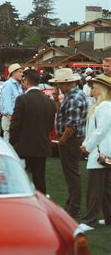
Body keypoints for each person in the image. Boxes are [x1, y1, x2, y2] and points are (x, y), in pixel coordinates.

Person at [9, 69, 56, 193]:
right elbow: (50, 127)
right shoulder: (49, 102)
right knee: (40, 181)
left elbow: (15, 126)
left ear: (24, 80)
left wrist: (11, 143)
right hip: (41, 146)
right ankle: (41, 207)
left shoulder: (22, 100)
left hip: (23, 148)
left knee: (20, 181)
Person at [50, 68, 88, 218]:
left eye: (60, 83)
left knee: (72, 175)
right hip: (72, 139)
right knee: (72, 174)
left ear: (68, 83)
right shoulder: (71, 95)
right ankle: (72, 205)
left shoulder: (73, 97)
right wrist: (55, 99)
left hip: (71, 140)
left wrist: (62, 140)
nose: (58, 86)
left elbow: (72, 125)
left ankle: (74, 207)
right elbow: (63, 115)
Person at [78, 74, 111, 231]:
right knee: (105, 188)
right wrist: (87, 144)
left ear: (101, 89)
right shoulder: (104, 105)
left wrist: (88, 146)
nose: (92, 89)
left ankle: (90, 220)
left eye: (94, 86)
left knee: (95, 188)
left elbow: (100, 131)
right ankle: (108, 217)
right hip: (103, 152)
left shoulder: (103, 107)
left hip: (99, 153)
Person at [0, 63, 23, 142]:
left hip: (16, 119)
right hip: (10, 119)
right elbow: (7, 105)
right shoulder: (8, 84)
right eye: (20, 72)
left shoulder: (18, 85)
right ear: (13, 73)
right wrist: (13, 121)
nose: (22, 74)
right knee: (9, 144)